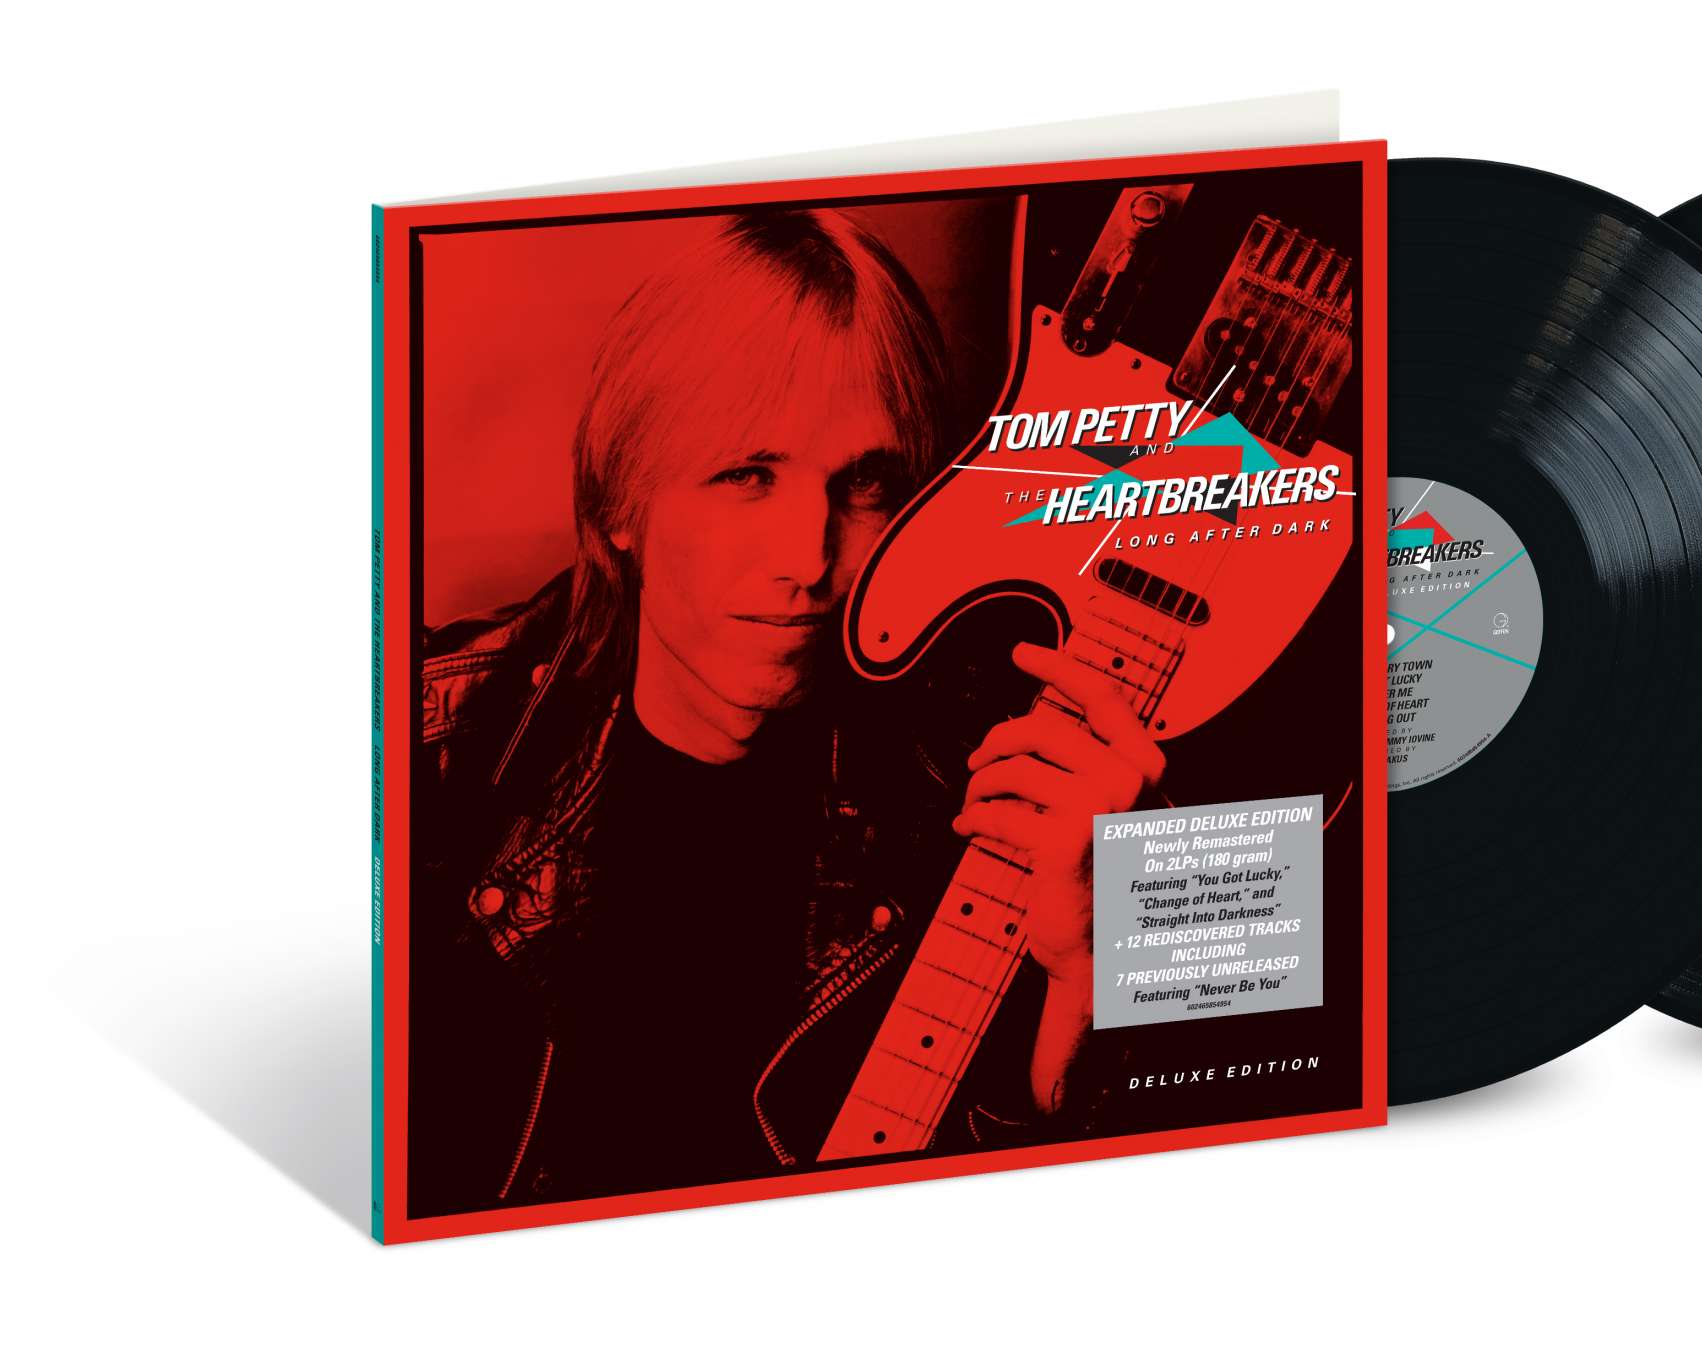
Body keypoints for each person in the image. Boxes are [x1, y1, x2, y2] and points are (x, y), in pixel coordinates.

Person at [410, 208, 1163, 1213]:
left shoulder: (1002, 779)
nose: (807, 558)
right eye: (747, 476)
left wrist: (1094, 984)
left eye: (865, 484)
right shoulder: (426, 745)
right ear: (621, 502)